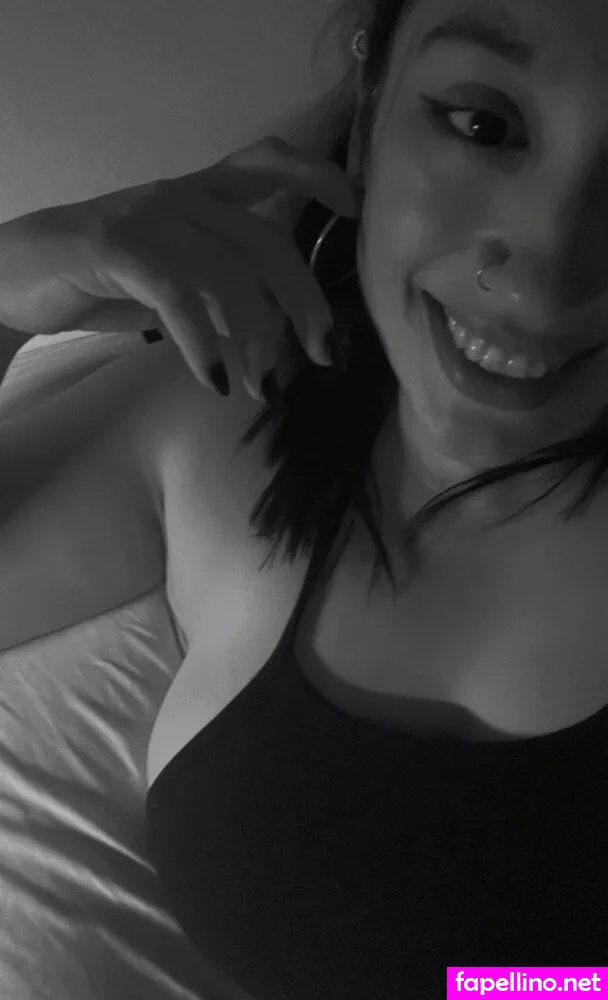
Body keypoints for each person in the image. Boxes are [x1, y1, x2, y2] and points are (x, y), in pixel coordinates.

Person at [0, 0, 607, 995]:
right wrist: (4, 289)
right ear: (367, 122)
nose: (546, 274)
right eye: (482, 124)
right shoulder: (230, 415)